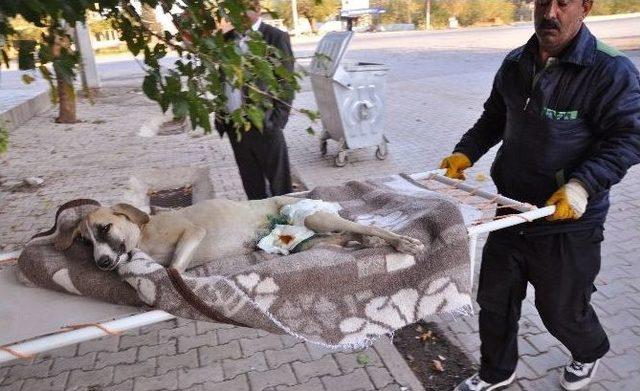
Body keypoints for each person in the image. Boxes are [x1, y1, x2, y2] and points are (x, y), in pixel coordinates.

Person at [440, 1, 640, 390]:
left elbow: (630, 137)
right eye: (542, 1)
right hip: (511, 209)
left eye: (563, 2)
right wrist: (465, 151)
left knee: (561, 310)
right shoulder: (516, 62)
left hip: (567, 220)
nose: (550, 12)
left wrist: (581, 185)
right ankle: (496, 372)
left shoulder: (609, 70)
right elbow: (494, 119)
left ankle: (589, 351)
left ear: (585, 7)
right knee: (495, 301)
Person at [216, 0, 295, 200]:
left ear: (258, 9)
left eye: (243, 9)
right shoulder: (227, 40)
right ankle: (264, 228)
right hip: (236, 127)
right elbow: (221, 80)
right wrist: (221, 116)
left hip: (265, 125)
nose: (238, 14)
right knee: (252, 187)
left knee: (281, 188)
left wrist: (276, 121)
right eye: (233, 10)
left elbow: (286, 82)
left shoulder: (275, 38)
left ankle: (290, 230)